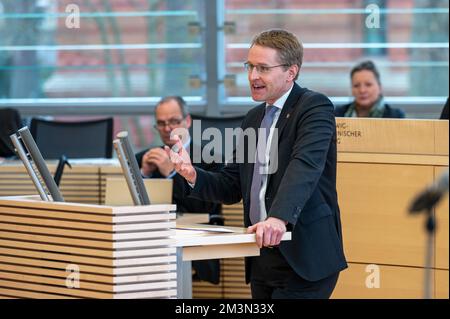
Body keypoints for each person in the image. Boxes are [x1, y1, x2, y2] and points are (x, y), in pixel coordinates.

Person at [167, 29, 347, 299]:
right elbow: (232, 184)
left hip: (305, 255)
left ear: (291, 72)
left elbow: (304, 166)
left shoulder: (314, 107)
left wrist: (278, 217)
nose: (252, 76)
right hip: (262, 257)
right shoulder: (253, 118)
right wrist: (192, 174)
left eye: (263, 68)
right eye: (250, 66)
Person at [135, 96, 223, 284]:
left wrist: (171, 174)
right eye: (161, 123)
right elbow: (132, 209)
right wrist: (144, 175)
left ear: (187, 121)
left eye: (174, 121)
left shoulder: (211, 159)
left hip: (195, 242)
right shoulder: (144, 158)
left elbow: (204, 209)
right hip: (152, 245)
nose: (167, 128)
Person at [334, 60, 405, 118]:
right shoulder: (337, 114)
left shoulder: (395, 116)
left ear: (380, 87)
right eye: (356, 85)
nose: (362, 90)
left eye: (368, 85)